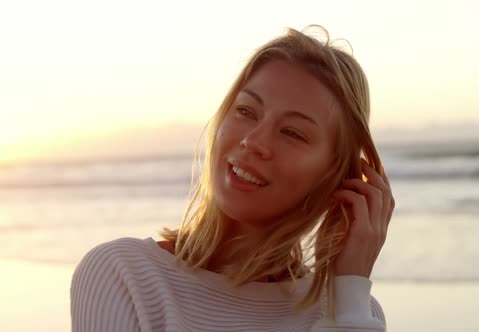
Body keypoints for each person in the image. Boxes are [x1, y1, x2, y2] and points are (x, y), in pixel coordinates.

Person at [70, 25, 395, 331]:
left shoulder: (354, 313)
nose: (254, 141)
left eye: (292, 133)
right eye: (245, 111)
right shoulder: (124, 274)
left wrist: (350, 294)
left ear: (336, 173)